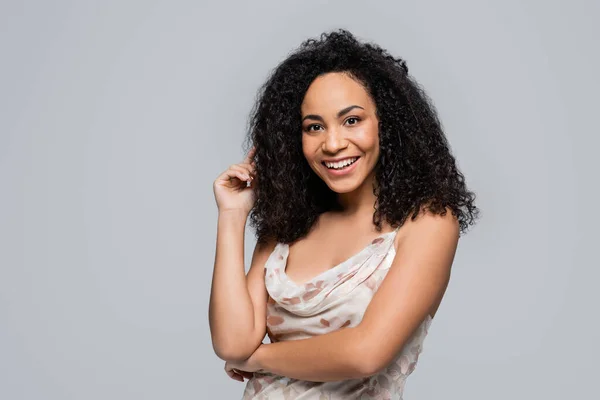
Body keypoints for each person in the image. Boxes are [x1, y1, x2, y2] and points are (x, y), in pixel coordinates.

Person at [209, 29, 479, 399]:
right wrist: (232, 216)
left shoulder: (428, 222)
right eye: (314, 127)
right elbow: (231, 343)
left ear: (388, 123)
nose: (333, 144)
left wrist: (258, 358)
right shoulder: (288, 225)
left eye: (352, 120)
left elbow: (365, 353)